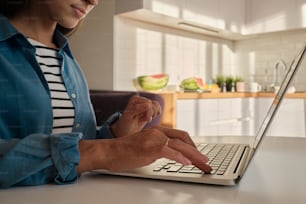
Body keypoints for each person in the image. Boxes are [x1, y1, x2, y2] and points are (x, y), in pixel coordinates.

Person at [0, 0, 212, 188]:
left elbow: (81, 146)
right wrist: (106, 152)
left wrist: (118, 133)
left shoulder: (68, 61)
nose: (94, 1)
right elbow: (86, 154)